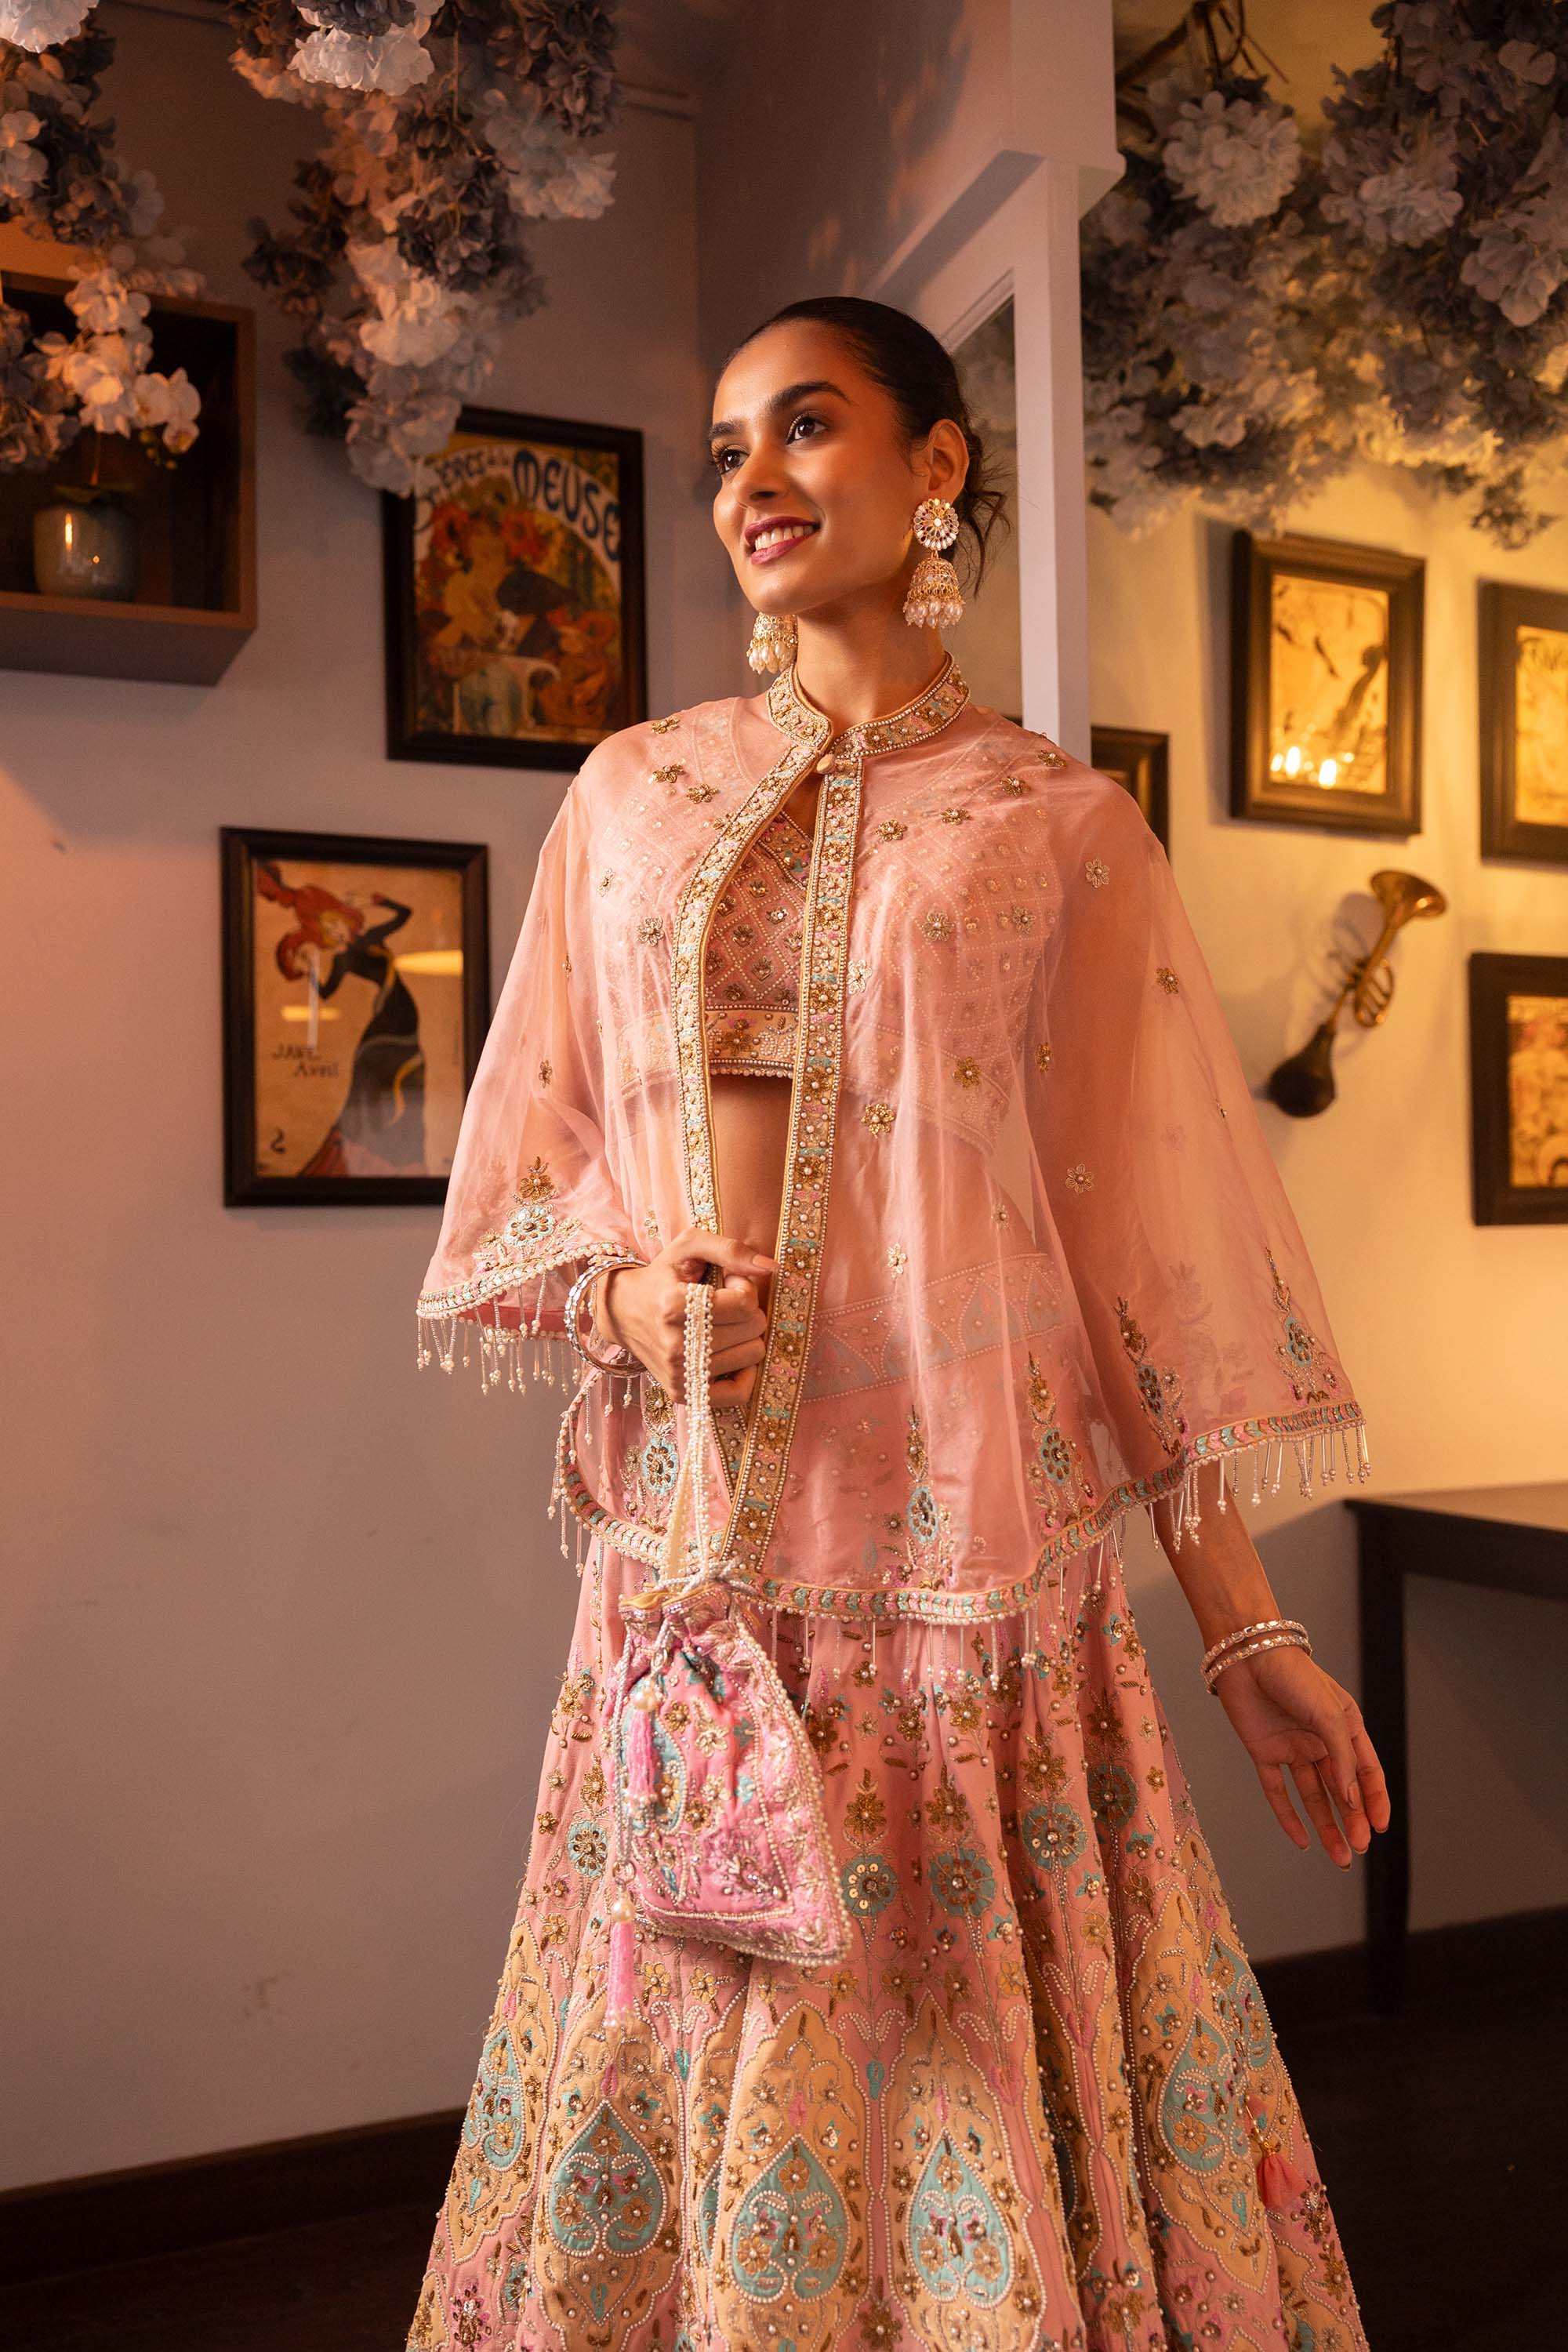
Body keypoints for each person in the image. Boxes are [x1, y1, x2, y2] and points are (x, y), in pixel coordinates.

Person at [407, 295, 1388, 2352]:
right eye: (725, 450)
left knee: (973, 2107)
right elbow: (534, 1165)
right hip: (697, 1583)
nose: (751, 483)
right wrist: (628, 1291)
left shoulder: (1057, 827)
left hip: (969, 1600)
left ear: (938, 465)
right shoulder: (632, 795)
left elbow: (1131, 1270)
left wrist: (1245, 1631)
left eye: (807, 427)